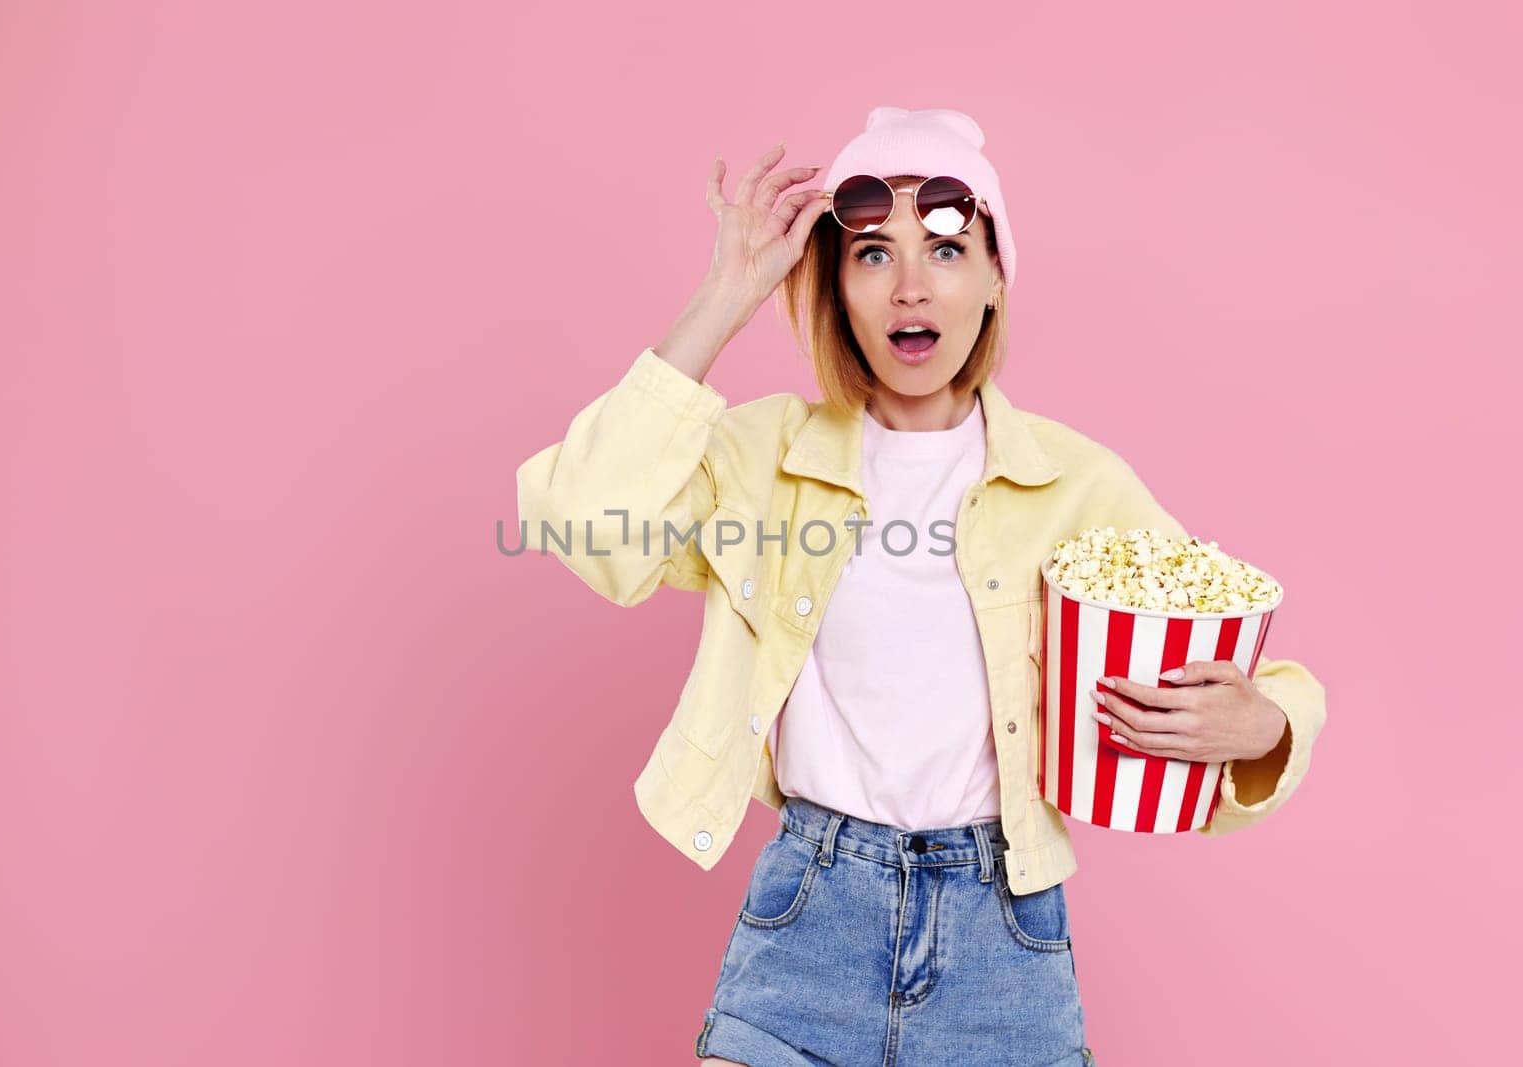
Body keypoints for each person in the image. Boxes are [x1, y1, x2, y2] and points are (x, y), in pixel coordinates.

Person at [514, 106, 1326, 1066]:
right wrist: (725, 296)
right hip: (807, 918)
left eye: (946, 249)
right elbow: (579, 519)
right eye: (869, 254)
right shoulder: (759, 460)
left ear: (993, 277)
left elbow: (1249, 669)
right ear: (835, 284)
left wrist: (1265, 728)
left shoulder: (1077, 484)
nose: (909, 286)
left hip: (1004, 936)